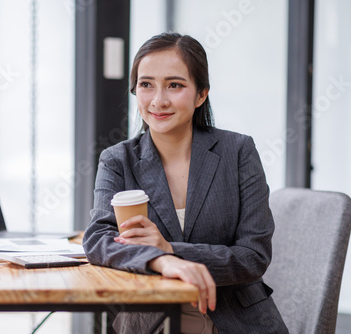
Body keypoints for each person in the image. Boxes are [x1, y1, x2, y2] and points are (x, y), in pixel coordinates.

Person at [82, 32, 289, 334]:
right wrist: (162, 261)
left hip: (236, 322)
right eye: (146, 85)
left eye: (175, 85)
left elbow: (253, 256)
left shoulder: (238, 152)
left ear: (201, 93)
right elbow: (98, 240)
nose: (158, 100)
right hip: (152, 322)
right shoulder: (118, 160)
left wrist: (170, 249)